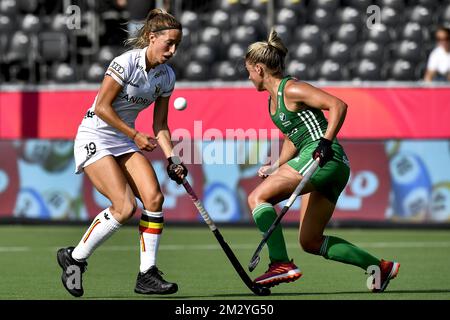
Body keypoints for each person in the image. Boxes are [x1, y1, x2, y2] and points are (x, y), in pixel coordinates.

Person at [244, 29, 400, 292]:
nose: (248, 77)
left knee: (257, 199)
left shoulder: (291, 88)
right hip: (325, 163)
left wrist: (326, 142)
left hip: (323, 157)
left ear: (259, 68)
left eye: (248, 70)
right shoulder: (273, 103)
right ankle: (380, 268)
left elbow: (338, 105)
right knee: (311, 241)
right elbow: (293, 138)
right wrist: (275, 166)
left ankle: (280, 263)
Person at [57, 9, 187, 297]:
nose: (173, 50)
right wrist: (135, 135)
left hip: (125, 139)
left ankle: (147, 275)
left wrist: (172, 158)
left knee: (154, 198)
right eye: (168, 43)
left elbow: (161, 125)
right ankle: (75, 258)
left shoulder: (166, 76)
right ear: (152, 38)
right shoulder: (125, 63)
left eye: (177, 45)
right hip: (95, 135)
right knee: (124, 207)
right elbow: (102, 107)